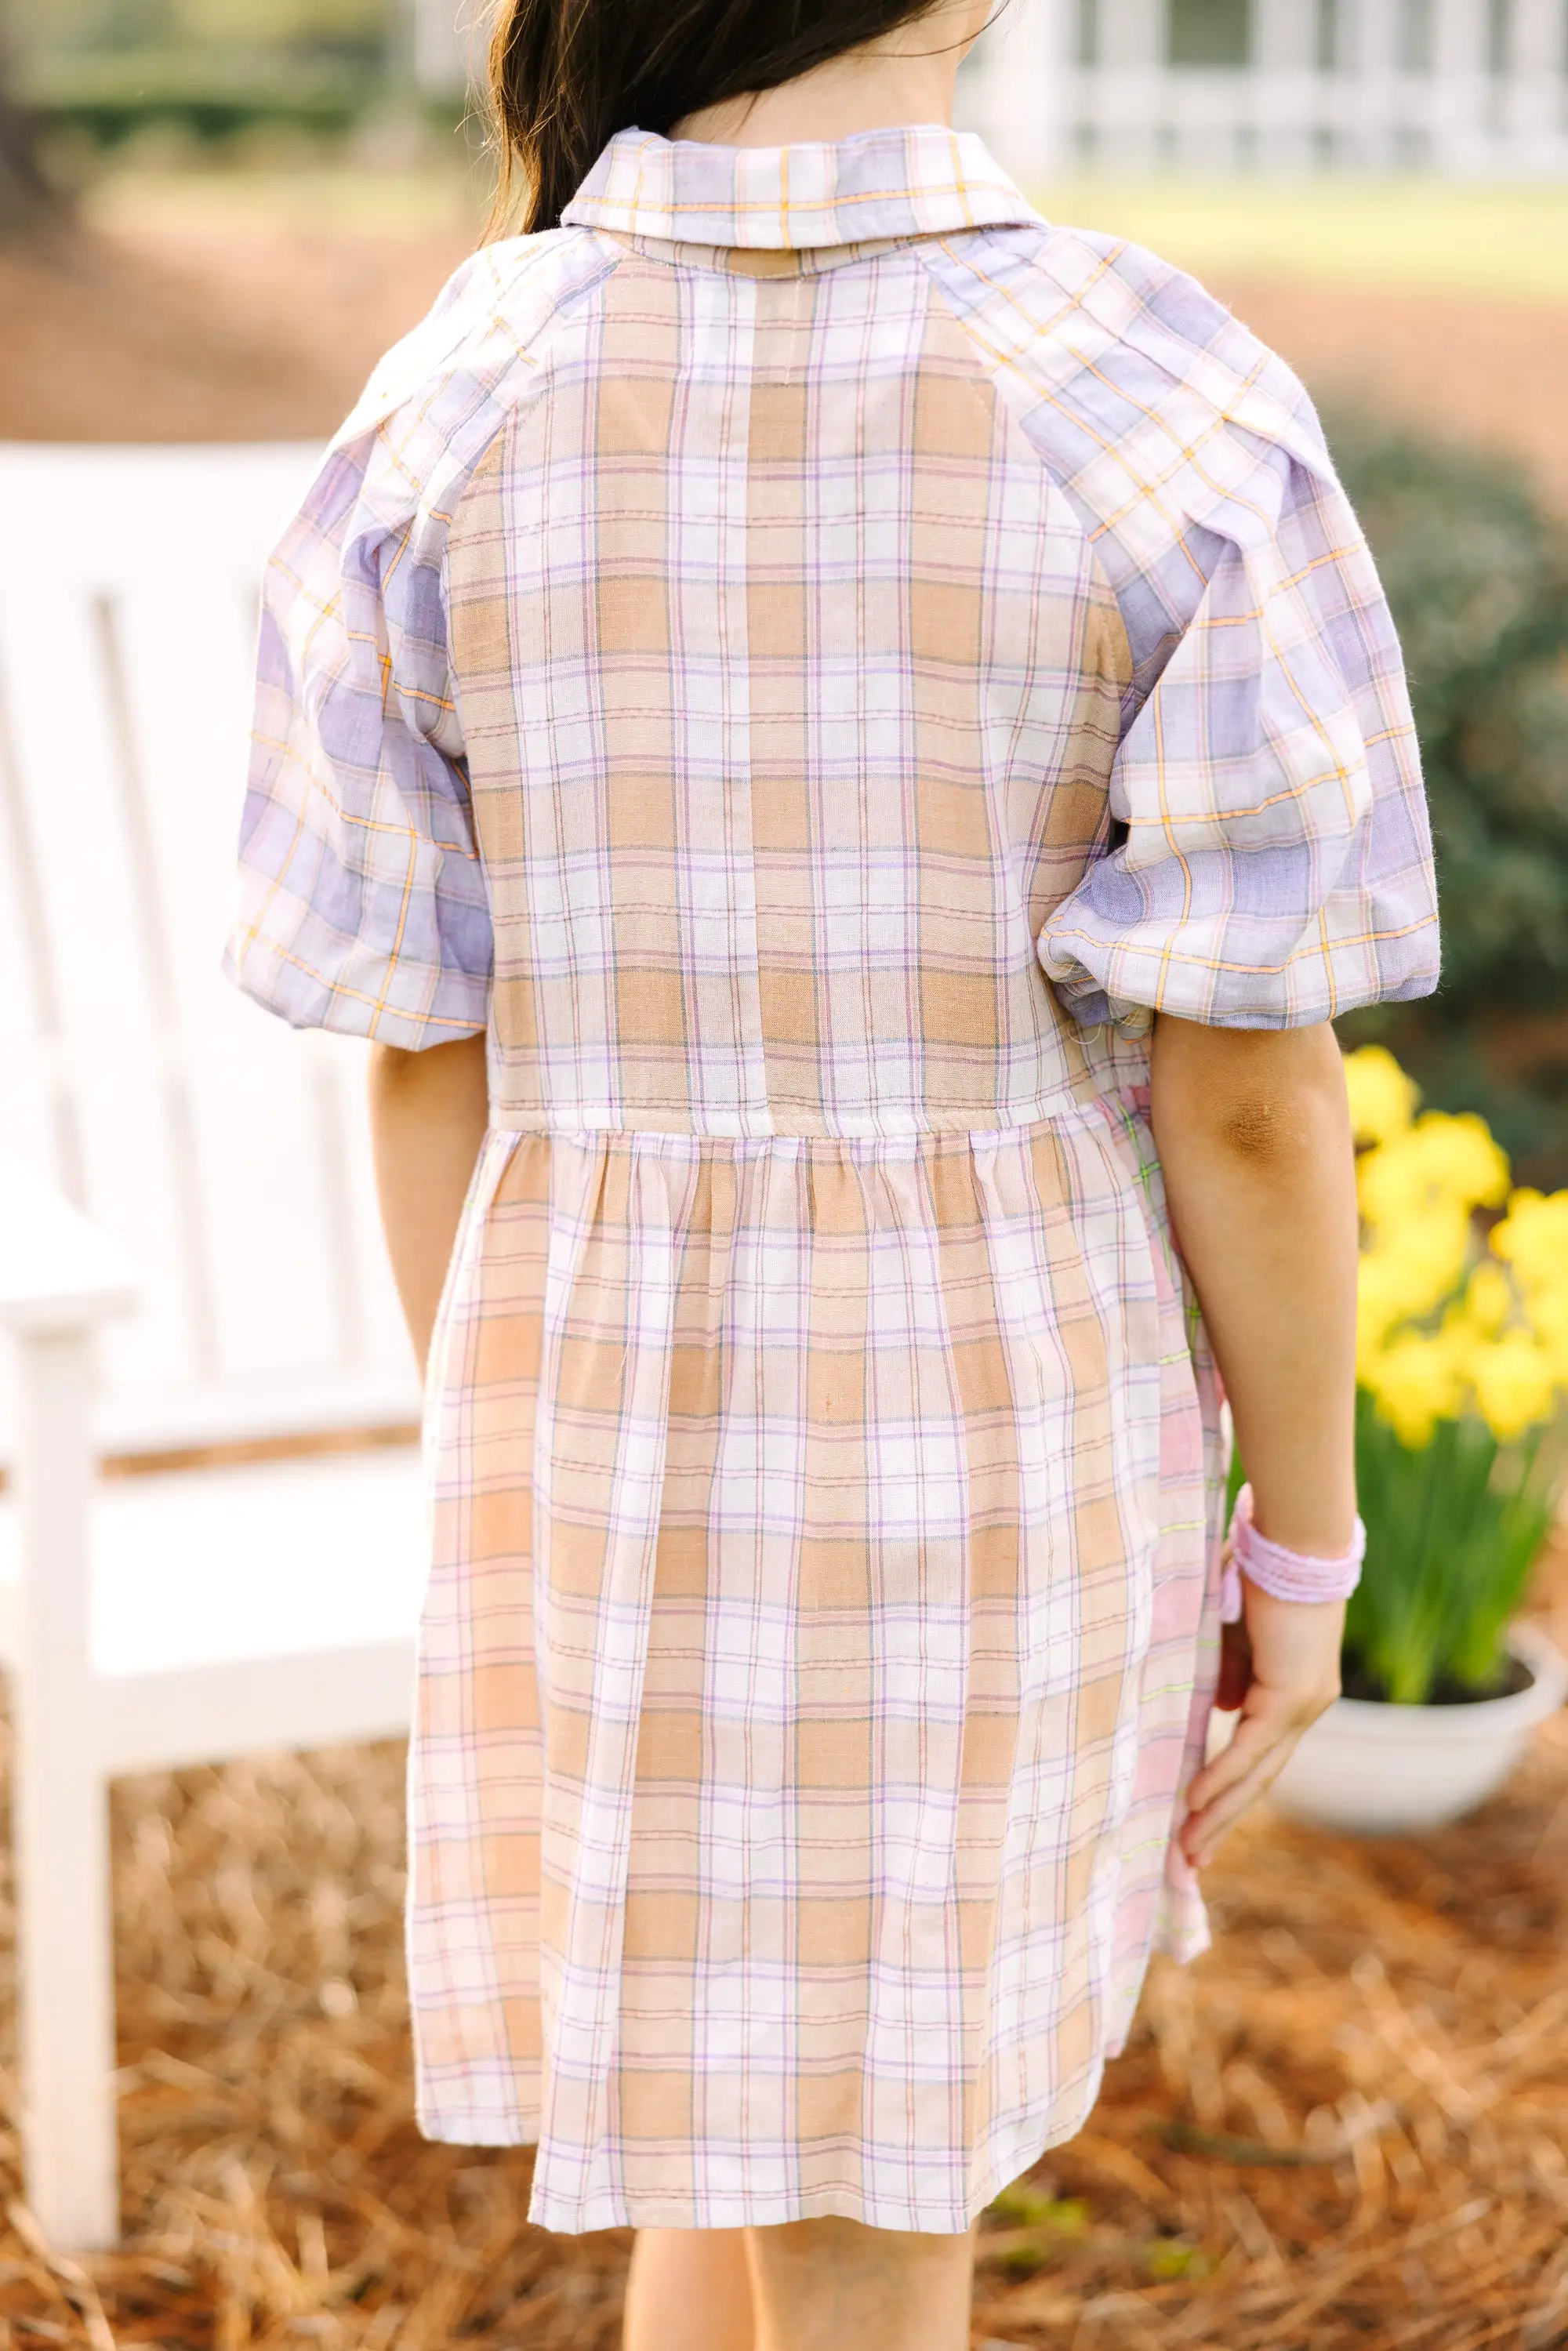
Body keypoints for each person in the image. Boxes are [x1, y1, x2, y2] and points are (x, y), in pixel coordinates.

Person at [227, 0, 1439, 2341]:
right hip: (998, 1429)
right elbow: (1255, 1090)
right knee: (878, 2195)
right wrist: (1304, 1532)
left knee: (735, 2103)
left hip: (592, 1418)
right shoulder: (1147, 388)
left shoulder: (450, 398)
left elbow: (414, 1053)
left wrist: (511, 1444)